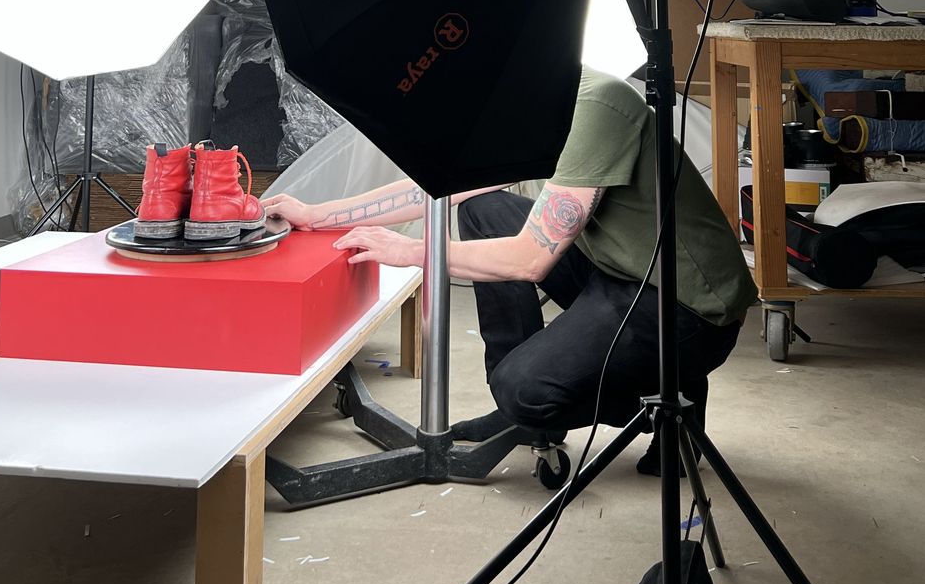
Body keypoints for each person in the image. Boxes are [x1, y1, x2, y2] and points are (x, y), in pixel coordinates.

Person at [263, 68, 757, 468]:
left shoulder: (597, 107)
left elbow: (530, 260)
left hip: (685, 304)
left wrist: (413, 252)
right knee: (484, 210)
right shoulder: (534, 102)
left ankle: (667, 401)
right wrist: (319, 214)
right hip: (618, 266)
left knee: (525, 391)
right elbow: (441, 189)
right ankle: (524, 411)